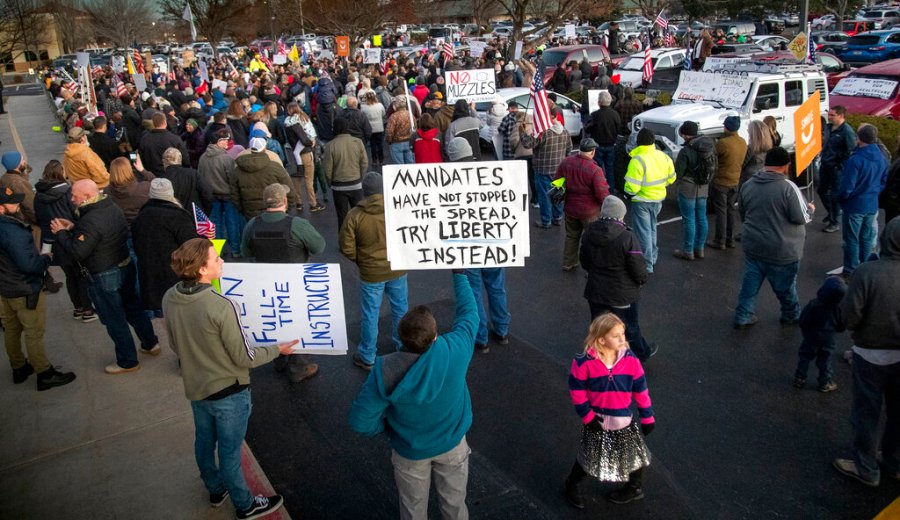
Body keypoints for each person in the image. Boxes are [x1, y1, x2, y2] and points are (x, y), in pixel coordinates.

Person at [162, 238, 291, 519]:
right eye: (216, 259)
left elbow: (174, 344)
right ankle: (245, 505)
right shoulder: (221, 305)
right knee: (230, 453)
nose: (222, 262)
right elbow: (244, 357)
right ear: (202, 270)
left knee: (204, 443)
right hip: (228, 392)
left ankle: (215, 488)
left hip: (196, 387)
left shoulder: (170, 296)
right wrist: (276, 349)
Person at [348, 270, 478, 520]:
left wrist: (388, 429)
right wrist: (460, 276)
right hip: (452, 446)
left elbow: (359, 421)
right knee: (454, 506)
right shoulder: (456, 350)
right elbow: (469, 314)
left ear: (401, 338)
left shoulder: (384, 369)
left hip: (409, 453)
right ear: (435, 334)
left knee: (412, 510)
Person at [51, 179, 159, 373]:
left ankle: (127, 361)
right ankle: (150, 343)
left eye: (75, 195)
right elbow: (99, 235)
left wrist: (61, 234)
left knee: (114, 318)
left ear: (87, 196)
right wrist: (74, 228)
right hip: (125, 264)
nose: (72, 199)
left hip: (104, 274)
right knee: (133, 307)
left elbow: (77, 252)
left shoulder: (90, 219)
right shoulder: (111, 207)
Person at [832, 217, 900, 487]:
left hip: (870, 354)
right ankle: (894, 463)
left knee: (866, 412)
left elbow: (849, 316)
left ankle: (866, 467)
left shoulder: (867, 272)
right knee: (897, 413)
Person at [565, 313, 654, 508]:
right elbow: (577, 392)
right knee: (589, 455)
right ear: (601, 339)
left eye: (623, 334)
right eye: (616, 335)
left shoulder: (631, 361)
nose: (623, 339)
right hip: (596, 420)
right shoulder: (583, 363)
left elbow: (641, 390)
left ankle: (634, 487)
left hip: (624, 421)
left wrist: (647, 416)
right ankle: (572, 484)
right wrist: (588, 417)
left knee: (633, 455)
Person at [240, 183, 325, 383]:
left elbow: (245, 252)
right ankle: (297, 367)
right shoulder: (296, 225)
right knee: (293, 320)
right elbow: (319, 246)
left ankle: (278, 359)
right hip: (294, 282)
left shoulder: (252, 224)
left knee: (274, 317)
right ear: (285, 201)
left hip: (265, 282)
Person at [0, 187, 77, 390]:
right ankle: (44, 373)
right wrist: (44, 259)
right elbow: (29, 265)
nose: (17, 205)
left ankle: (18, 367)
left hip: (6, 288)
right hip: (24, 287)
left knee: (12, 330)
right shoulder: (11, 231)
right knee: (33, 333)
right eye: (12, 203)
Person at [734, 147, 815, 329]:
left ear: (766, 164)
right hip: (782, 249)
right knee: (785, 288)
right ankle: (791, 315)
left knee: (750, 284)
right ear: (786, 166)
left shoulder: (748, 185)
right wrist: (810, 209)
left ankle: (743, 314)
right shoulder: (788, 188)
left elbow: (743, 212)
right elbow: (800, 217)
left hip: (753, 244)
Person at [339, 172, 409, 371]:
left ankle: (368, 355)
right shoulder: (397, 208)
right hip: (397, 268)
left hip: (371, 273)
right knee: (401, 309)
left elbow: (346, 247)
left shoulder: (355, 215)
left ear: (365, 192)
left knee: (371, 313)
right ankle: (403, 347)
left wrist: (361, 260)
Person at [580, 195, 656, 361]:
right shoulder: (626, 236)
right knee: (629, 327)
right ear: (620, 214)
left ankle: (600, 357)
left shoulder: (588, 232)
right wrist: (641, 281)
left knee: (599, 327)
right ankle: (641, 354)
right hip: (621, 294)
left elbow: (584, 261)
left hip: (596, 291)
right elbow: (638, 268)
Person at [33, 160, 95, 321]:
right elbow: (76, 213)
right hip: (69, 238)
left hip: (53, 242)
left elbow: (38, 217)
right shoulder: (68, 192)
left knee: (70, 276)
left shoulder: (38, 195)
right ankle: (88, 309)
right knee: (81, 275)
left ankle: (78, 308)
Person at [131, 178, 200, 314]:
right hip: (174, 276)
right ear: (171, 193)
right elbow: (191, 244)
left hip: (150, 276)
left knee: (162, 312)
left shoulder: (140, 217)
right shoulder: (177, 216)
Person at [836, 124, 888, 275]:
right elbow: (884, 181)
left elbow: (847, 187)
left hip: (854, 205)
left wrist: (840, 198)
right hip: (871, 204)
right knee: (866, 238)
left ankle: (851, 269)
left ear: (859, 138)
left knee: (851, 239)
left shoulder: (856, 159)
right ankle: (864, 268)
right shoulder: (881, 157)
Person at [623, 128, 675, 273]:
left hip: (642, 201)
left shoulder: (637, 160)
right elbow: (672, 177)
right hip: (658, 199)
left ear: (638, 142)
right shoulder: (663, 157)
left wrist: (628, 194)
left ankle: (646, 264)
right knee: (652, 228)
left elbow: (632, 187)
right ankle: (652, 257)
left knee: (643, 232)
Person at [556, 138, 609, 271]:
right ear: (592, 152)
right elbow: (602, 194)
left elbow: (557, 181)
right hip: (589, 212)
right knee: (592, 240)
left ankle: (568, 262)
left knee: (571, 236)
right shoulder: (595, 170)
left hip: (570, 209)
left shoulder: (566, 162)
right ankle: (591, 267)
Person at [793, 276, 847, 392]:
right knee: (825, 359)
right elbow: (842, 325)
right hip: (828, 337)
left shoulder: (814, 304)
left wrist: (805, 329)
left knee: (805, 356)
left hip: (811, 336)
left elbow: (803, 320)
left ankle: (799, 377)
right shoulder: (839, 308)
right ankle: (825, 382)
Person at [673, 121, 716, 260]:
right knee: (702, 218)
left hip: (688, 187)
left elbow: (678, 172)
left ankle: (688, 250)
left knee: (689, 219)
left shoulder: (686, 150)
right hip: (703, 187)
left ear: (685, 135)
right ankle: (700, 248)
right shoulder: (709, 147)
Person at [521, 107, 571, 228]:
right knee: (557, 194)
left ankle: (546, 221)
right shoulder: (564, 131)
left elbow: (527, 144)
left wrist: (522, 132)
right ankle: (557, 217)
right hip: (559, 168)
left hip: (543, 168)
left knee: (544, 196)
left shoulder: (543, 132)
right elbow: (569, 149)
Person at [198, 129, 243, 256]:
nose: (227, 142)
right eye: (224, 140)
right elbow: (232, 179)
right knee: (232, 222)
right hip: (227, 196)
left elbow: (200, 176)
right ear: (218, 142)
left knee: (215, 224)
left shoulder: (203, 158)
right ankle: (235, 250)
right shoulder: (226, 158)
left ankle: (218, 250)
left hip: (211, 196)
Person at [231, 138, 298, 220]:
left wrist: (242, 210)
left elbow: (234, 195)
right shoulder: (275, 167)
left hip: (250, 212)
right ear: (265, 148)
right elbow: (289, 188)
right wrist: (287, 207)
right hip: (275, 210)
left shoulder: (237, 170)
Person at [709, 116, 747, 250]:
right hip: (735, 181)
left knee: (721, 212)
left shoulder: (723, 143)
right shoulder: (742, 142)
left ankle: (720, 240)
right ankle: (730, 239)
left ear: (726, 127)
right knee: (731, 210)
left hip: (721, 181)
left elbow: (712, 156)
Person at [820, 106, 857, 233]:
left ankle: (834, 222)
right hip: (825, 165)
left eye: (832, 115)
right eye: (829, 114)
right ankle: (831, 213)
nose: (829, 117)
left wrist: (840, 165)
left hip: (836, 168)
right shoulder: (828, 127)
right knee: (821, 190)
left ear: (841, 116)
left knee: (835, 195)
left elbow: (851, 152)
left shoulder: (847, 132)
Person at [324, 119, 367, 229]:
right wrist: (360, 178)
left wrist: (330, 182)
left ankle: (344, 242)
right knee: (359, 215)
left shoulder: (330, 145)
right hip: (356, 183)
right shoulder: (358, 142)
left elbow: (327, 169)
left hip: (338, 187)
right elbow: (364, 163)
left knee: (342, 216)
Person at [585, 91, 620, 186]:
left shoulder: (595, 115)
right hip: (611, 145)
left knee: (597, 169)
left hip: (598, 145)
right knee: (610, 168)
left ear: (599, 102)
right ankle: (611, 188)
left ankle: (599, 187)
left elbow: (588, 128)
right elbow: (618, 129)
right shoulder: (615, 114)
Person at [139, 112, 190, 176]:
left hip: (153, 175)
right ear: (165, 123)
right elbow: (185, 158)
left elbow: (141, 158)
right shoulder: (175, 139)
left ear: (153, 124)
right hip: (172, 175)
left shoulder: (144, 139)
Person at [386, 97, 415, 165]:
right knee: (410, 165)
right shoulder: (410, 115)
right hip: (409, 142)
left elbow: (389, 131)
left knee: (399, 167)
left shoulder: (394, 116)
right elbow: (414, 127)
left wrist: (389, 141)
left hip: (396, 143)